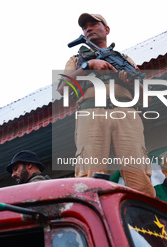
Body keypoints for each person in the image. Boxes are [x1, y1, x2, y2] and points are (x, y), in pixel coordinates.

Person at [57, 13, 156, 197]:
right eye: (85, 27)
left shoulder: (124, 59)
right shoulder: (76, 60)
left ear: (106, 29)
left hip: (126, 114)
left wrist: (129, 82)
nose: (88, 28)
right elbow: (63, 89)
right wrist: (89, 65)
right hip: (91, 113)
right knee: (89, 176)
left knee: (139, 176)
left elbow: (147, 98)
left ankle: (147, 223)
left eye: (93, 24)